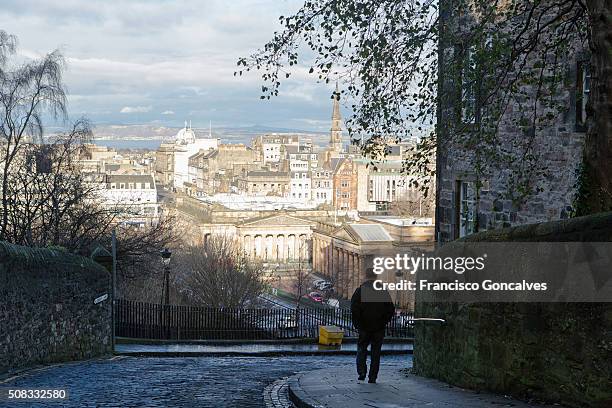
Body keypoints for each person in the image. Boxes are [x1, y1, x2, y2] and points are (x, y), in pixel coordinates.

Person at [350, 267, 395, 384]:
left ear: (366, 276)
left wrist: (358, 325)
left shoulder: (360, 291)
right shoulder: (382, 291)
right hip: (378, 328)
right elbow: (390, 309)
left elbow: (354, 310)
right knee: (376, 353)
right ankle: (373, 377)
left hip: (364, 327)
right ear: (376, 277)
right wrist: (384, 322)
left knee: (361, 349)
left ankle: (362, 372)